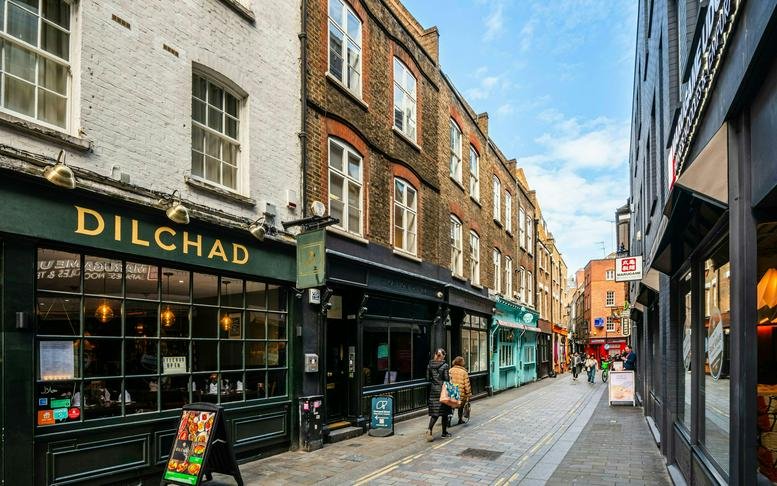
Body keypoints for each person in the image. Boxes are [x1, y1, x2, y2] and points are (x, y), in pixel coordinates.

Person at [426, 348, 451, 441]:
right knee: (444, 413)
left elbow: (428, 378)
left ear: (435, 355)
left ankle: (429, 430)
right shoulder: (445, 365)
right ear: (443, 356)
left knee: (435, 413)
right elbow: (446, 379)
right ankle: (444, 433)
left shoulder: (429, 365)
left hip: (433, 390)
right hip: (443, 390)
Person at [449, 356, 472, 426]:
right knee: (461, 407)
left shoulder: (450, 370)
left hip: (452, 391)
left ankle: (448, 421)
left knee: (451, 407)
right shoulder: (464, 372)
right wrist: (468, 394)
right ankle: (460, 419)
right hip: (461, 392)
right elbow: (467, 384)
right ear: (461, 362)